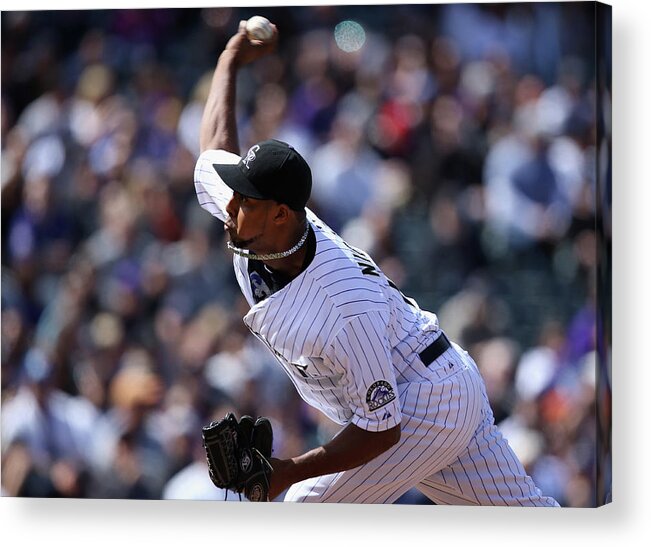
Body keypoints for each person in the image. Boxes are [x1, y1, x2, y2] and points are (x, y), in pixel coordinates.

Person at [193, 20, 559, 506]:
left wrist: (288, 472)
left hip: (424, 403)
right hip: (435, 380)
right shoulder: (258, 221)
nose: (230, 207)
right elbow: (213, 148)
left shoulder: (342, 303)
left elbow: (381, 431)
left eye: (246, 200)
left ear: (281, 213)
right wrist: (229, 60)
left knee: (303, 509)